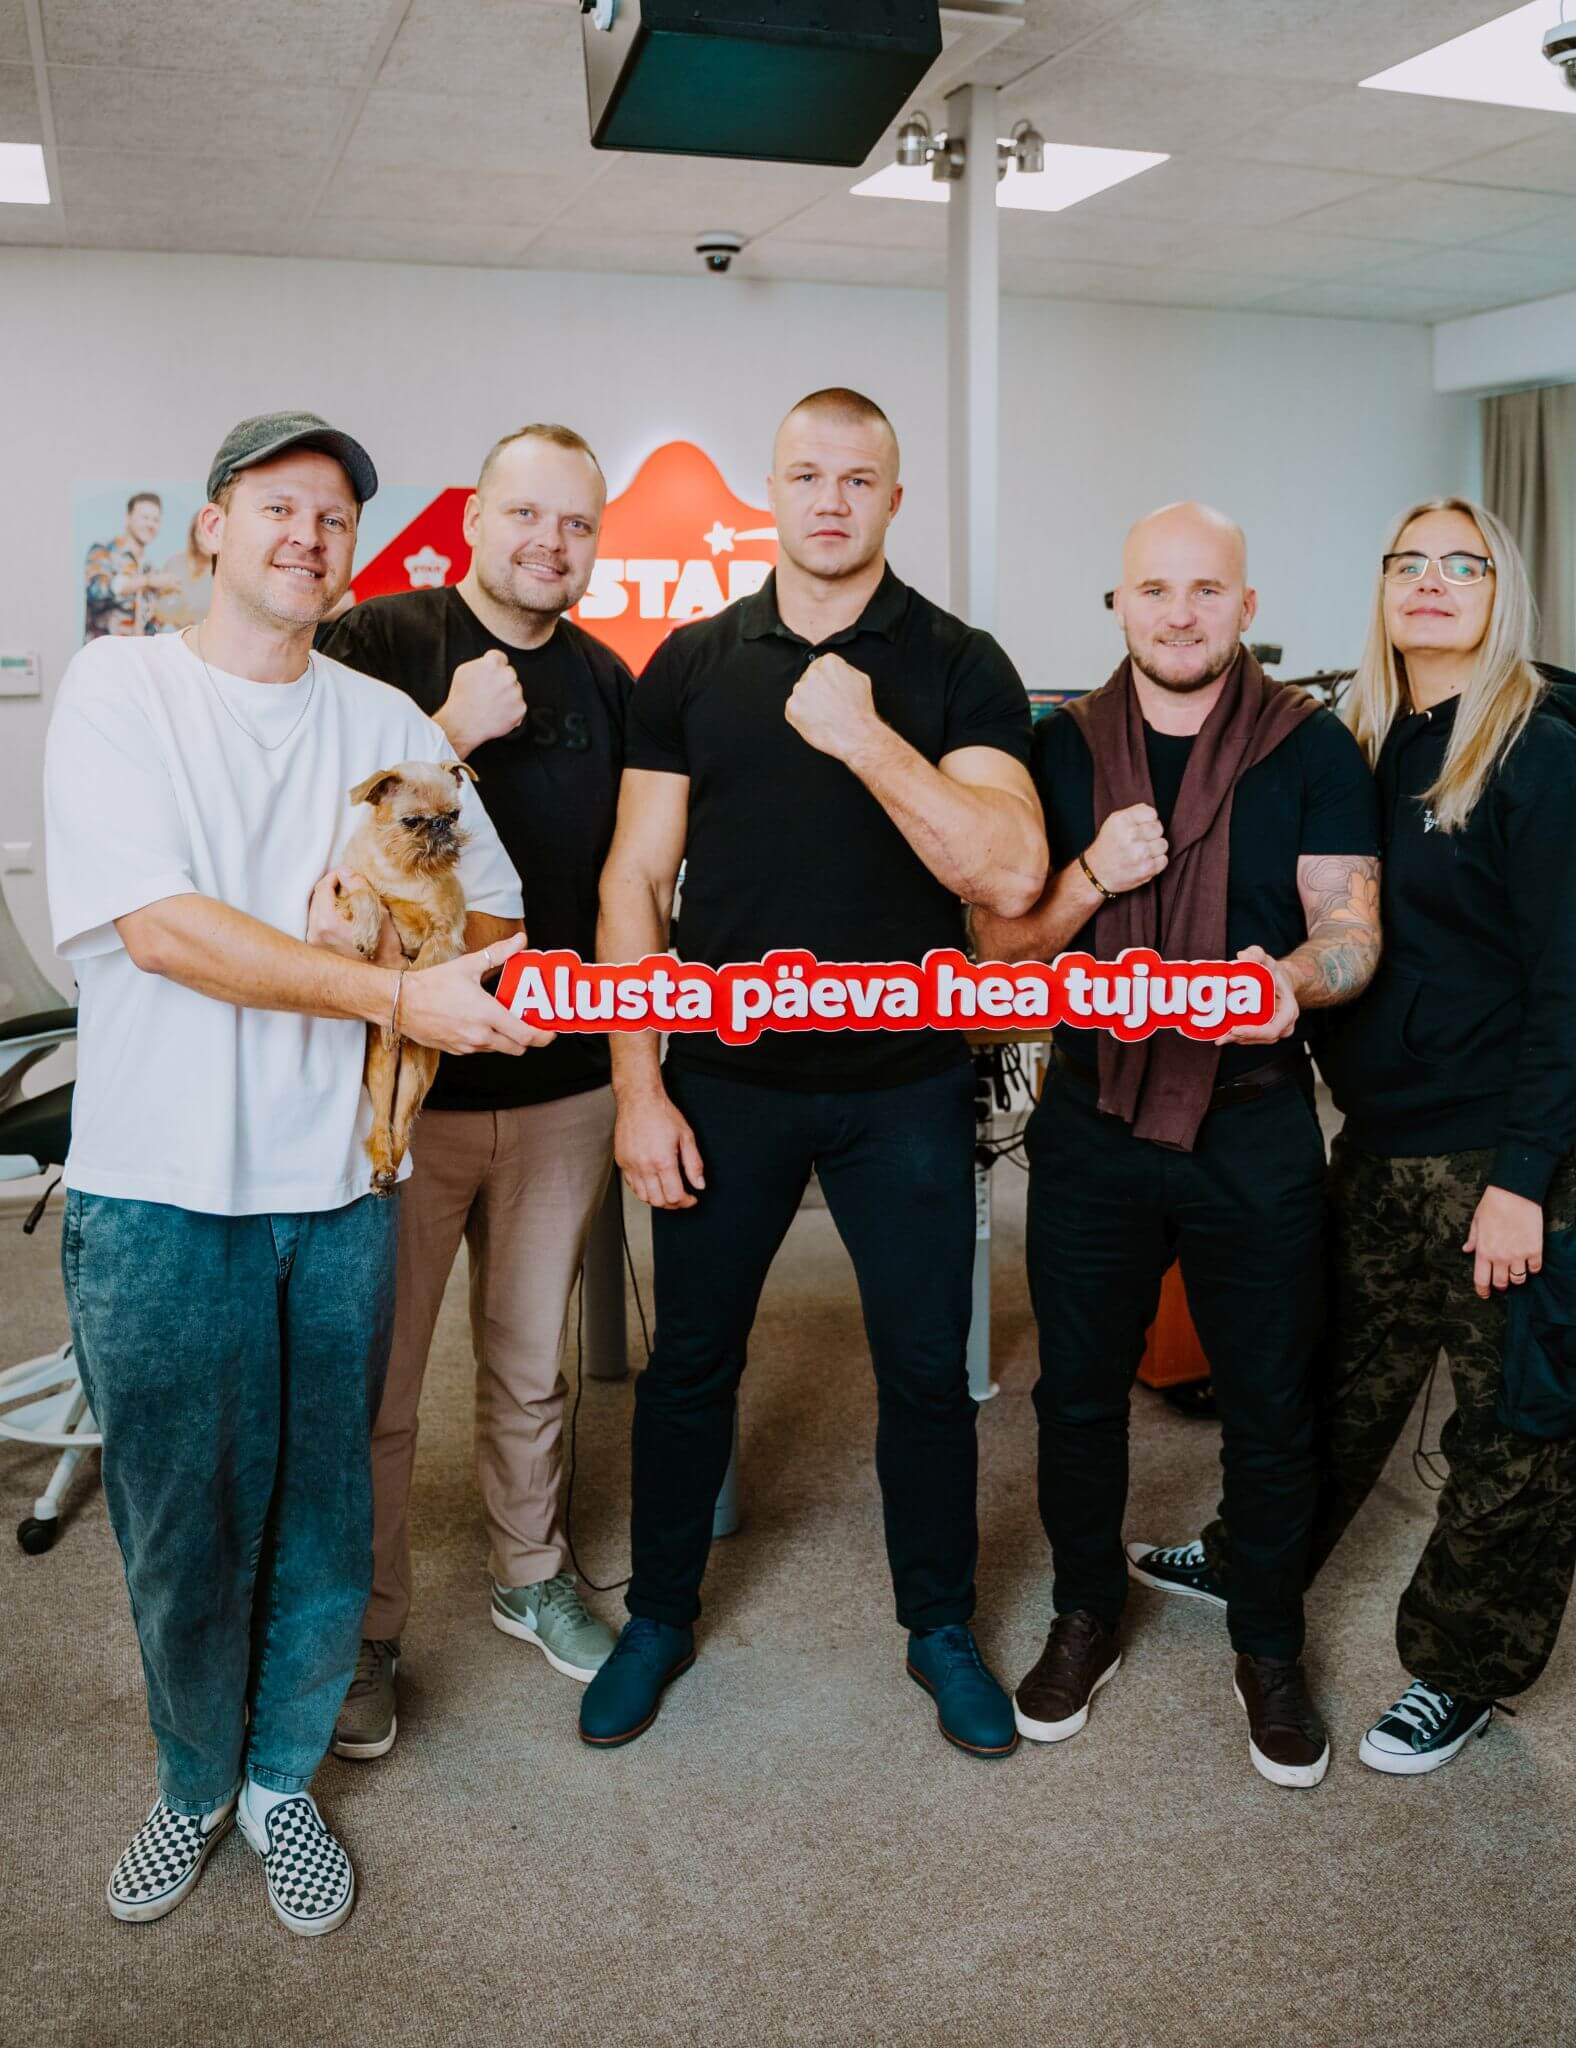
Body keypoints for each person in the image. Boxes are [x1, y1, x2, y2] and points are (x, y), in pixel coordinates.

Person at [44, 410, 545, 1936]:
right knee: (182, 1515)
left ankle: (279, 1782)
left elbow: (494, 917)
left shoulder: (386, 722)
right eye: (277, 506)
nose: (307, 537)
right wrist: (383, 986)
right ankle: (192, 1779)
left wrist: (399, 932)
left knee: (326, 1507)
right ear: (212, 527)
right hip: (155, 1192)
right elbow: (160, 930)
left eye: (333, 518)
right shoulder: (121, 687)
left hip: (336, 1193)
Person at [581, 387, 1046, 1757]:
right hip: (724, 1078)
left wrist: (864, 733)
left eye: (857, 479)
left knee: (926, 1371)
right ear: (771, 493)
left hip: (905, 1083)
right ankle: (658, 1615)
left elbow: (1007, 870)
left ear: (894, 498)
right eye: (805, 475)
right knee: (690, 1365)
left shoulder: (961, 663)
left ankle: (940, 1626)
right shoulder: (691, 663)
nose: (830, 500)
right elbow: (634, 880)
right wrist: (637, 1088)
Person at [1131, 499, 1576, 1777]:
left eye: (1461, 563)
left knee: (1511, 1430)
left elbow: (1568, 983)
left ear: (1500, 588)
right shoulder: (1358, 743)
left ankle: (1460, 1667)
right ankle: (1251, 1552)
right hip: (1376, 1137)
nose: (1431, 581)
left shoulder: (1536, 750)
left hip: (1504, 1153)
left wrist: (1523, 1179)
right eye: (1407, 562)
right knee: (1321, 1372)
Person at [972, 502, 1381, 1790]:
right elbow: (999, 950)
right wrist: (1092, 874)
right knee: (1076, 1393)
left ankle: (1269, 1641)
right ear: (1119, 605)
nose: (1180, 612)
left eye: (1207, 589)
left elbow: (1350, 931)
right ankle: (1083, 1611)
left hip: (1251, 1115)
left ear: (1246, 608)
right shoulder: (1056, 748)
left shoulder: (1310, 746)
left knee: (1269, 1397)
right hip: (1092, 1115)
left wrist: (1293, 981)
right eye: (1154, 588)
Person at [318, 424, 633, 1759]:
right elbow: (306, 840)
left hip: (560, 1086)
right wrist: (447, 733)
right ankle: (367, 1626)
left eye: (576, 523)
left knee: (528, 1360)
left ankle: (529, 1572)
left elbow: (631, 880)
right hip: (401, 1089)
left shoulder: (609, 681)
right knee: (378, 1381)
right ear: (472, 520)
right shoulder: (378, 642)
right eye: (524, 514)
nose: (549, 542)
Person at [83, 491, 178, 640]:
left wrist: (164, 608)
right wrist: (146, 581)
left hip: (138, 653)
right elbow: (97, 591)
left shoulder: (150, 569)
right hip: (103, 652)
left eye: (156, 520)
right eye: (145, 517)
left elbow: (151, 628)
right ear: (128, 518)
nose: (150, 524)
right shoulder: (105, 550)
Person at [153, 511, 215, 632]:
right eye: (201, 533)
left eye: (211, 533)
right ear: (193, 534)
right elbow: (158, 605)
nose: (205, 540)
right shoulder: (174, 563)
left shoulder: (222, 574)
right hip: (170, 637)